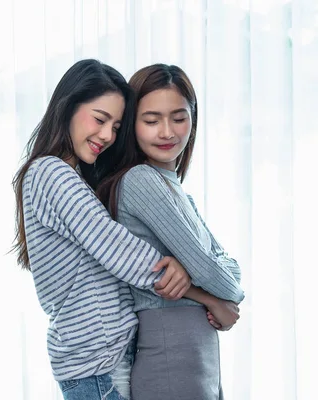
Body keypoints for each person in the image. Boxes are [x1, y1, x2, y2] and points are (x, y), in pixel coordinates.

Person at [13, 58, 195, 400]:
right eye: (100, 119)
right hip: (95, 367)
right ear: (67, 108)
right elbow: (121, 251)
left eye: (115, 125)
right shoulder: (49, 172)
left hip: (104, 363)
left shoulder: (76, 177)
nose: (107, 135)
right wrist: (200, 287)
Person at [97, 63, 245, 399]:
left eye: (179, 117)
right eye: (151, 120)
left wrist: (207, 279)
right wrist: (222, 293)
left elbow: (227, 267)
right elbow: (215, 272)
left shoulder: (177, 189)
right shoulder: (141, 180)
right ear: (131, 124)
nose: (167, 132)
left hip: (194, 350)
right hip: (171, 348)